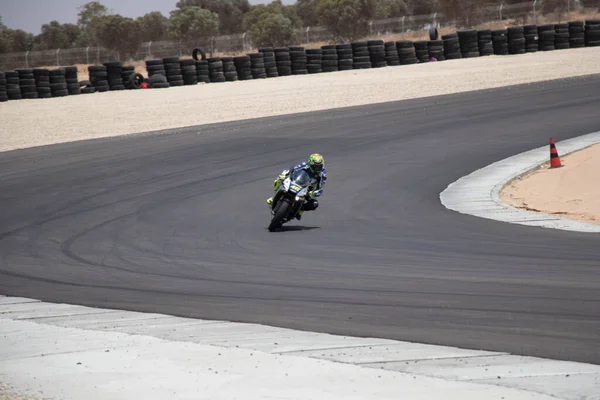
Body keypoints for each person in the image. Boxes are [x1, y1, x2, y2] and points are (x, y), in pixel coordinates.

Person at [266, 153, 327, 220]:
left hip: (308, 189)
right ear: (310, 163)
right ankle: (273, 197)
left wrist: (314, 193)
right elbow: (293, 170)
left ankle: (300, 210)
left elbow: (320, 187)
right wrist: (284, 175)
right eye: (315, 166)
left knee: (315, 204)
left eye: (319, 166)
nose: (317, 168)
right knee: (279, 180)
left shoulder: (323, 174)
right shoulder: (304, 165)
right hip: (297, 182)